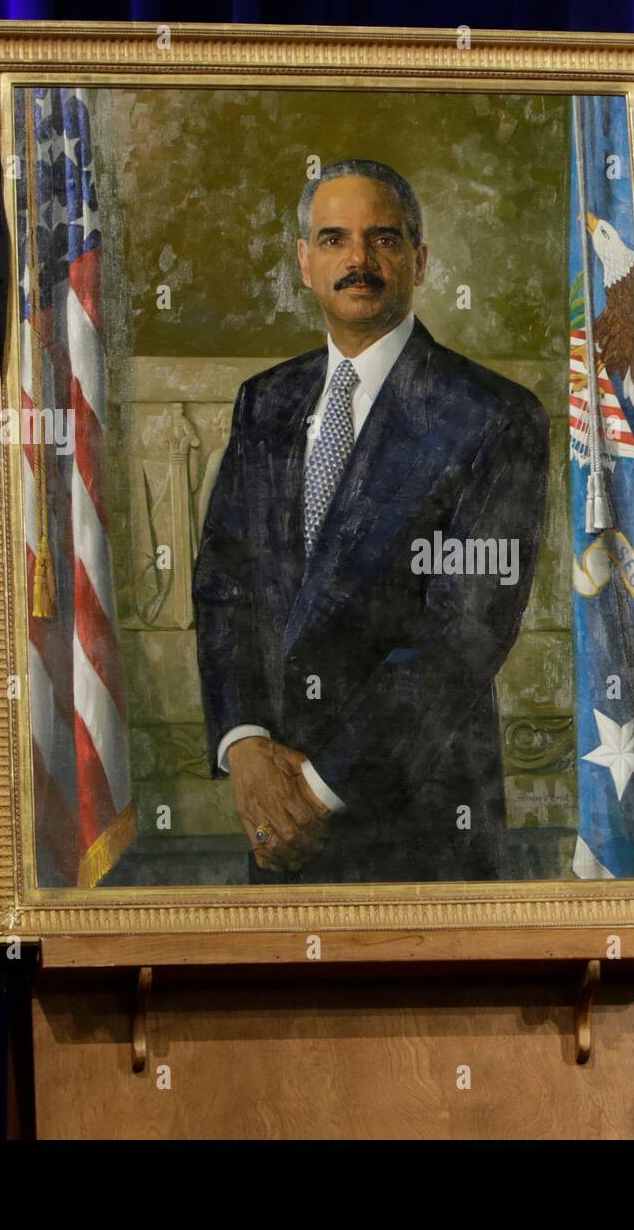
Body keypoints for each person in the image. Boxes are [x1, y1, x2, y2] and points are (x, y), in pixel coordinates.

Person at [193, 159, 550, 884]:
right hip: (272, 812)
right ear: (304, 261)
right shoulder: (265, 402)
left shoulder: (494, 415)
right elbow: (225, 586)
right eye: (333, 239)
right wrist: (247, 746)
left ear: (419, 259)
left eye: (382, 239)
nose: (357, 260)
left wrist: (313, 792)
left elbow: (464, 633)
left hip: (419, 824)